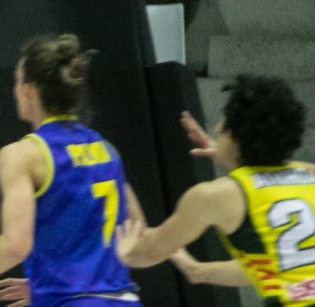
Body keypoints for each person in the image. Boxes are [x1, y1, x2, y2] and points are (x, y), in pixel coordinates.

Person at [0, 34, 142, 306]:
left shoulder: (22, 155)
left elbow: (16, 245)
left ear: (28, 90)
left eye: (16, 81)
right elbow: (137, 230)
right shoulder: (106, 149)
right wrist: (51, 283)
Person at [116, 75, 315, 305]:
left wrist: (118, 246)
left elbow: (147, 252)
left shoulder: (212, 196)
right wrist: (199, 271)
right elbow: (278, 264)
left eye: (222, 125)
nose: (216, 128)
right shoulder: (309, 174)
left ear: (233, 135)